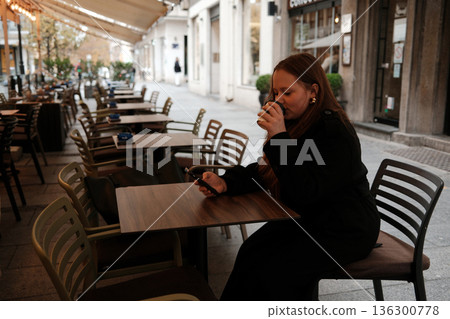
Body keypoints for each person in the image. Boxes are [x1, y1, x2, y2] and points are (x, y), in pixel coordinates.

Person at [195, 53, 380, 300]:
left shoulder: (333, 132)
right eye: (275, 93)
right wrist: (226, 181)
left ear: (313, 91)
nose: (278, 101)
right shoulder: (301, 122)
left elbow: (303, 192)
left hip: (345, 229)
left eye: (287, 93)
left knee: (271, 270)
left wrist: (279, 137)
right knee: (251, 250)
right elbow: (267, 170)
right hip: (311, 219)